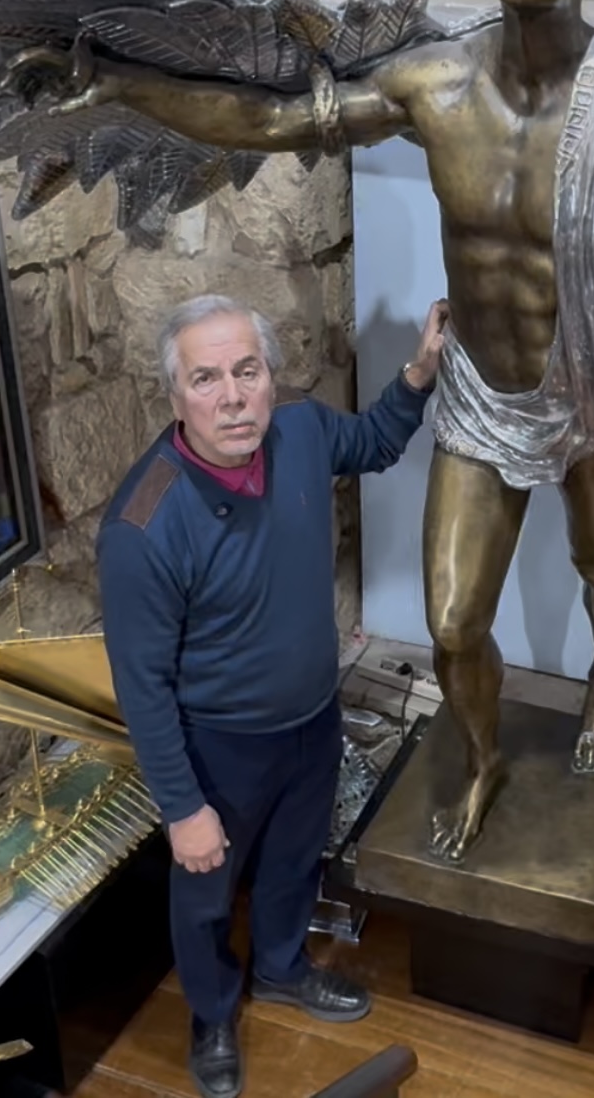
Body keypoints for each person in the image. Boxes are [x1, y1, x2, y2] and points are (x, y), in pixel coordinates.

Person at [65, 0, 594, 862]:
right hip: (479, 396)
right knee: (451, 623)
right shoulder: (435, 84)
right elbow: (274, 122)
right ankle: (481, 759)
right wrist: (122, 87)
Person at [96, 292, 447, 1098]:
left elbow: (376, 440)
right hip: (218, 744)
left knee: (294, 862)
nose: (233, 397)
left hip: (312, 717)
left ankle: (282, 970)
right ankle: (212, 1015)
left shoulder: (301, 429)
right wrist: (183, 808)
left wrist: (420, 373)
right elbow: (142, 686)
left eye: (247, 371)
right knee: (205, 894)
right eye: (206, 378)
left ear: (270, 377)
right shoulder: (142, 528)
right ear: (175, 396)